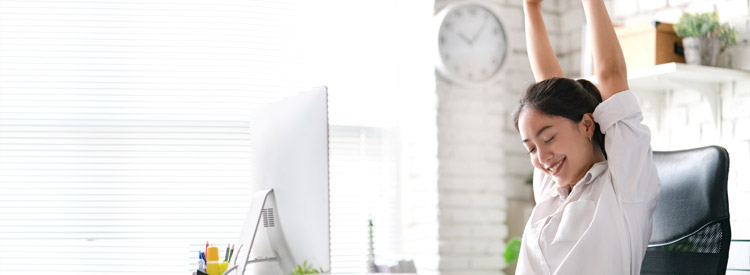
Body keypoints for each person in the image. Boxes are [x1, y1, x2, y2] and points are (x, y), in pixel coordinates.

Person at [512, 0, 661, 274]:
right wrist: (531, 7)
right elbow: (550, 92)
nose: (542, 158)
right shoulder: (551, 190)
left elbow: (611, 73)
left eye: (548, 139)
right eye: (531, 148)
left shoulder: (624, 186)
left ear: (587, 125)